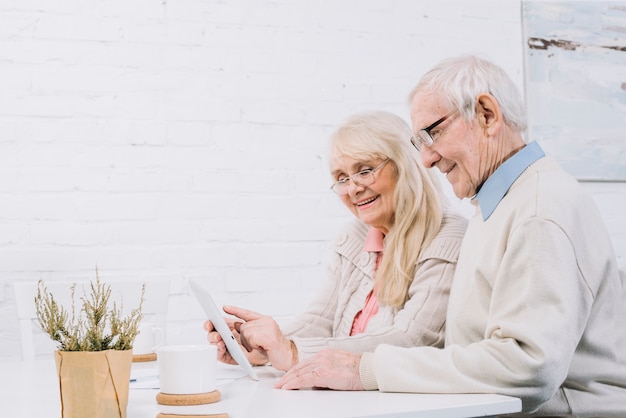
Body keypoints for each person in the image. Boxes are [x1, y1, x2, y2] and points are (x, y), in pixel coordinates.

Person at [275, 55, 626, 417]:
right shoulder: (499, 205)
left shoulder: (539, 210)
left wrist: (365, 369)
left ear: (487, 114)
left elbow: (527, 366)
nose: (425, 159)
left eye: (433, 133)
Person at [205, 110, 468, 372]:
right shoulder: (354, 236)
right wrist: (264, 349)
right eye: (341, 178)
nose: (352, 188)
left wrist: (293, 352)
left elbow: (411, 339)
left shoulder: (449, 238)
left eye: (364, 171)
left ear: (405, 166)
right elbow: (321, 320)